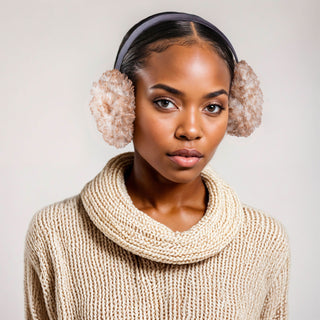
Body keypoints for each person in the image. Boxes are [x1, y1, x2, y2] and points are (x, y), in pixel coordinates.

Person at [24, 12, 290, 319]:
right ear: (120, 103)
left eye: (213, 107)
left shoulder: (264, 241)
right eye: (165, 102)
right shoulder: (55, 234)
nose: (191, 129)